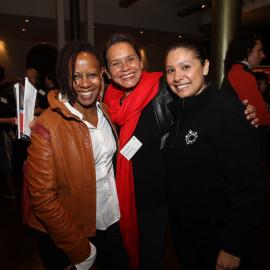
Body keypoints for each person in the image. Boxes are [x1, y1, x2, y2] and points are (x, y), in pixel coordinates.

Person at [102, 33, 258, 270]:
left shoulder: (164, 92)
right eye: (116, 63)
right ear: (106, 71)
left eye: (130, 59)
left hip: (161, 208)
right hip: (127, 204)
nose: (125, 68)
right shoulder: (104, 103)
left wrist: (243, 113)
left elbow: (247, 184)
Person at [24, 40, 128, 270]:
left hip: (111, 221)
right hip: (74, 233)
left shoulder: (105, 110)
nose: (84, 84)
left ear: (102, 74)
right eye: (76, 76)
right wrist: (80, 249)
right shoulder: (47, 125)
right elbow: (42, 198)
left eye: (91, 74)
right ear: (66, 78)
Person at [163, 39, 266, 270]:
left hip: (217, 241)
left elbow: (249, 186)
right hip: (188, 237)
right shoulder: (180, 111)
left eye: (186, 67)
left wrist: (233, 246)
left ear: (206, 67)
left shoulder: (227, 111)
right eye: (171, 70)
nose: (177, 76)